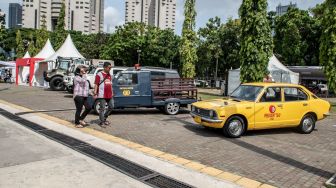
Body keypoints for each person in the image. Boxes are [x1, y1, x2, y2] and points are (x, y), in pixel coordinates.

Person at [94, 62, 113, 127]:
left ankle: (104, 118)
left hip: (109, 94)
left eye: (110, 67)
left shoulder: (109, 74)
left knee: (111, 106)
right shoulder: (99, 74)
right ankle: (102, 122)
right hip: (102, 94)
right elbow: (96, 84)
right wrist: (95, 93)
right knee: (102, 108)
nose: (110, 69)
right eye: (109, 67)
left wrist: (112, 92)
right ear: (104, 67)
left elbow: (110, 84)